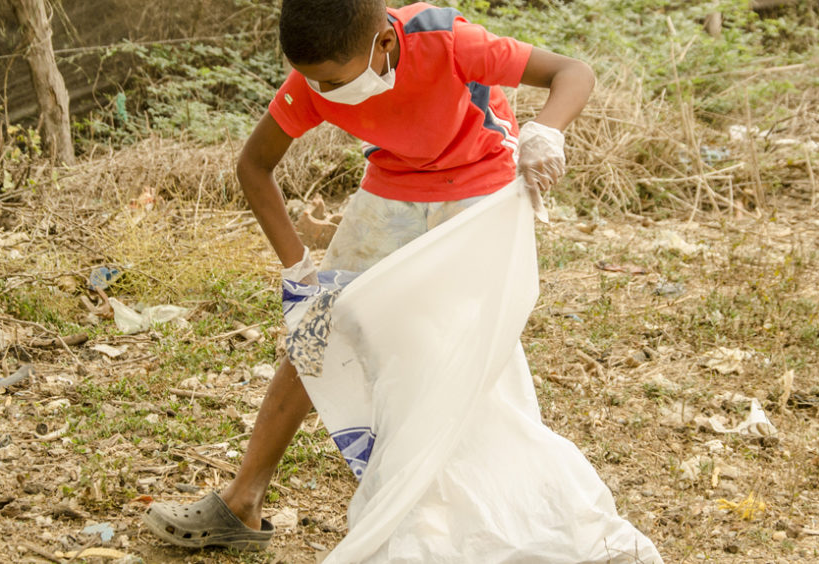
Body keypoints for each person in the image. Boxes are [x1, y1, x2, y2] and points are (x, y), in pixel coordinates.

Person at [143, 0, 594, 551]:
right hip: (393, 186)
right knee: (316, 334)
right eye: (310, 79)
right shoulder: (314, 77)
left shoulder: (446, 39)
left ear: (383, 43)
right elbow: (253, 165)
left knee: (457, 356)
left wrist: (545, 133)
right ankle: (243, 502)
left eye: (332, 81)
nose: (321, 92)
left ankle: (476, 517)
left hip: (479, 186)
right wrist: (298, 268)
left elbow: (573, 72)